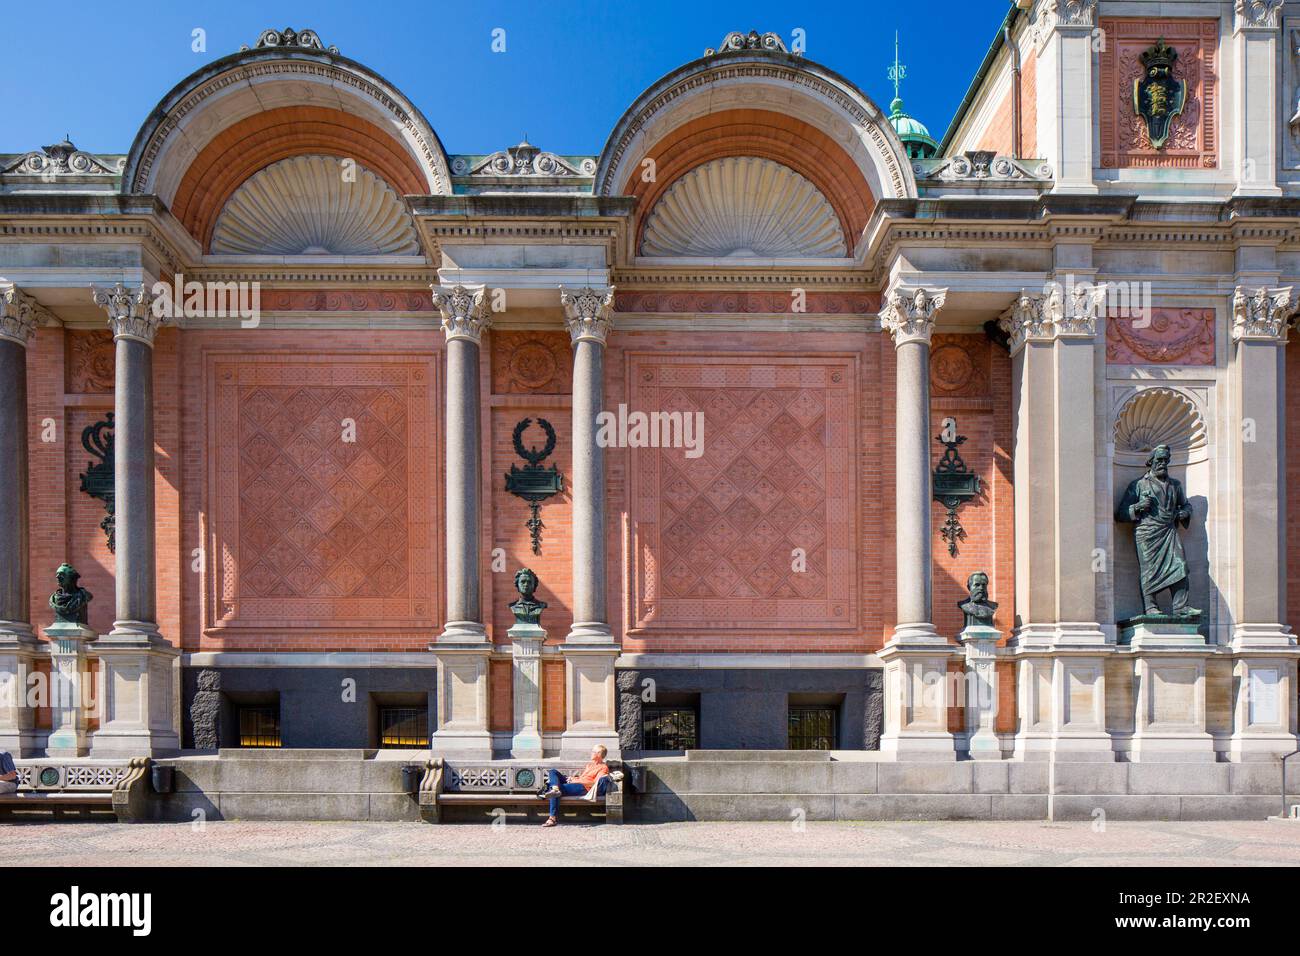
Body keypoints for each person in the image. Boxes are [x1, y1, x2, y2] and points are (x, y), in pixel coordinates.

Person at [541, 745, 611, 827]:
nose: (591, 753)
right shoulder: (590, 765)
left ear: (598, 754)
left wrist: (575, 780)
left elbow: (594, 783)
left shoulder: (603, 768)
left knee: (552, 788)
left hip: (584, 788)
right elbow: (583, 778)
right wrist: (573, 778)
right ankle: (555, 788)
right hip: (577, 782)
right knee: (553, 771)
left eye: (593, 751)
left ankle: (552, 818)